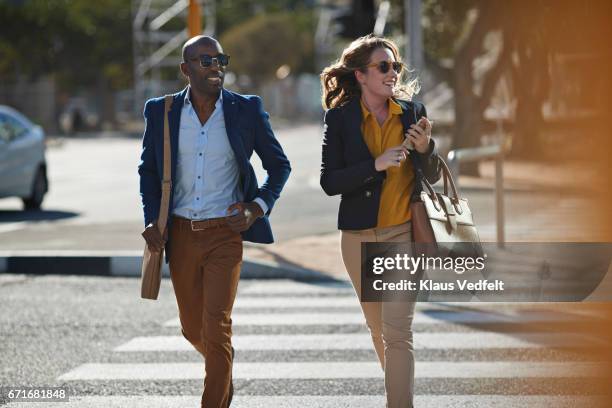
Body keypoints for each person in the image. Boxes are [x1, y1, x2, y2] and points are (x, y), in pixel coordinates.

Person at [138, 35, 291, 408]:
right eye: (205, 61)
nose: (215, 67)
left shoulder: (246, 110)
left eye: (219, 60)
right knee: (193, 329)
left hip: (226, 234)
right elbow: (149, 171)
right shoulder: (162, 111)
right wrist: (151, 219)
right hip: (180, 233)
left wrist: (256, 207)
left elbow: (279, 166)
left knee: (217, 326)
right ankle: (223, 366)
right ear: (185, 68)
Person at [320, 34, 441, 407]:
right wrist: (374, 165)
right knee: (378, 329)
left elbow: (433, 174)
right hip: (357, 236)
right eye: (383, 66)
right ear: (360, 75)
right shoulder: (340, 119)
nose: (392, 73)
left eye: (395, 67)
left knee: (398, 333)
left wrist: (425, 149)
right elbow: (329, 181)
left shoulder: (412, 111)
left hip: (402, 232)